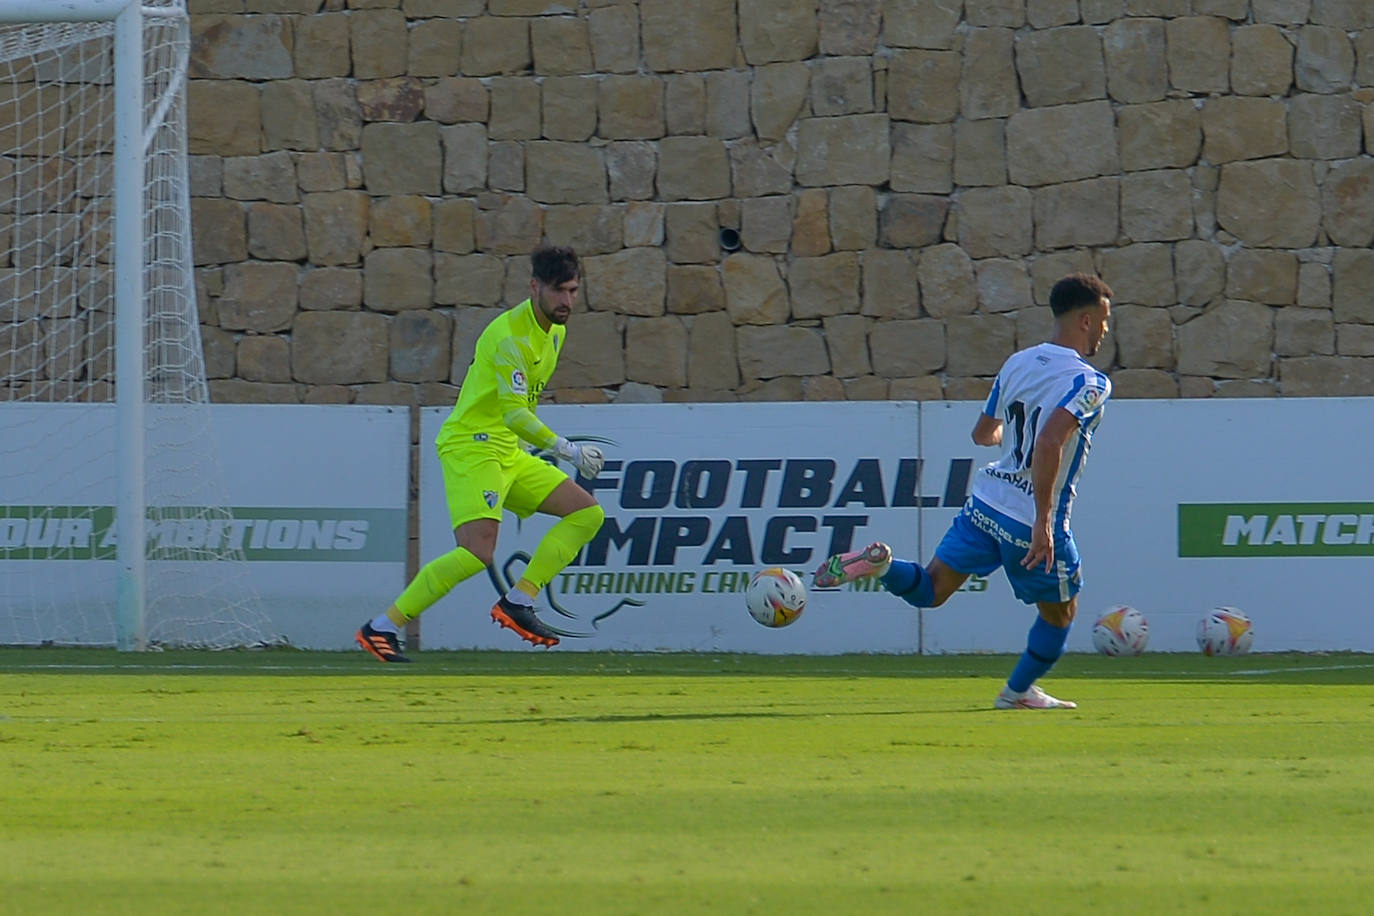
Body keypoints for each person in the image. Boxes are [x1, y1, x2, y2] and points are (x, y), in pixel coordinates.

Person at [813, 273, 1114, 709]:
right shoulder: (1090, 383)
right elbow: (1049, 442)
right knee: (1060, 614)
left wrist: (1012, 444)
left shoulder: (1018, 363)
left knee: (931, 590)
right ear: (1086, 320)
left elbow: (983, 433)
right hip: (1025, 516)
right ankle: (1017, 692)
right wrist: (1043, 522)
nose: (1105, 331)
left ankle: (882, 566)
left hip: (985, 502)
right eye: (1103, 321)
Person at [356, 245, 606, 661]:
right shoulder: (509, 337)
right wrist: (568, 450)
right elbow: (513, 414)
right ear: (535, 287)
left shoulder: (556, 333)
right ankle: (381, 628)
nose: (567, 301)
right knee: (477, 552)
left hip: (508, 451)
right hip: (472, 446)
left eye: (573, 290)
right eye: (559, 291)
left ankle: (519, 601)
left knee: (586, 513)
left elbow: (517, 414)